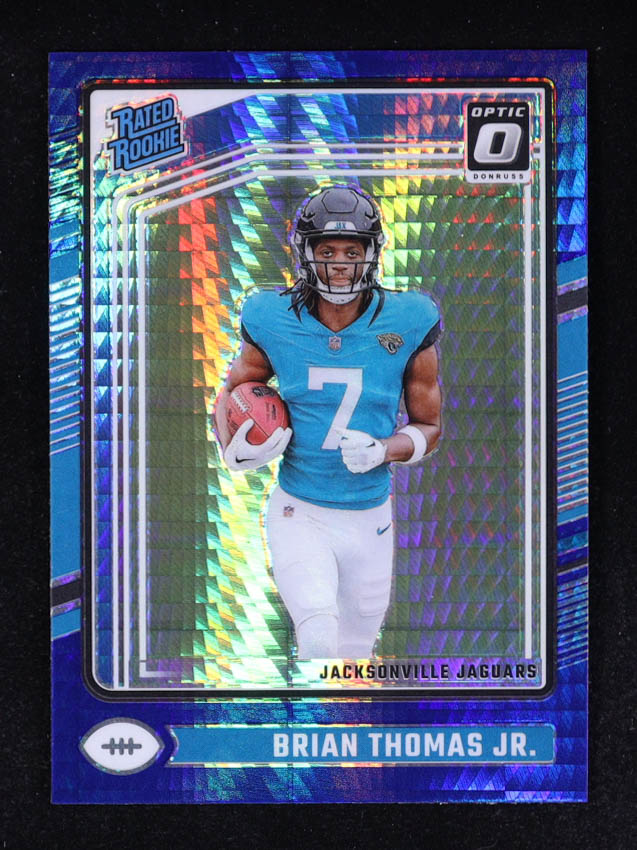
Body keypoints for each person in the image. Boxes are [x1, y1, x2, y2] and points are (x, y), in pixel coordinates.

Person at [214, 186, 442, 660]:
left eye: (352, 252)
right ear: (306, 254)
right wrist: (230, 444)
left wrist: (383, 449)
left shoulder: (409, 318)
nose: (339, 263)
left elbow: (429, 427)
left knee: (354, 652)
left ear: (372, 254)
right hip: (300, 510)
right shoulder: (271, 316)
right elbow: (233, 391)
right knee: (318, 636)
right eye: (327, 250)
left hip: (370, 516)